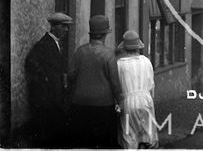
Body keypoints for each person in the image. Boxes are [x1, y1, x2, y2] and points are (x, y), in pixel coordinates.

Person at [69, 15, 123, 148]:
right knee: (102, 143)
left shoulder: (79, 52)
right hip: (103, 105)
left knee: (82, 142)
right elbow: (115, 83)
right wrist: (120, 102)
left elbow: (71, 76)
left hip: (79, 103)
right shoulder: (109, 54)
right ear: (105, 34)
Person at [25, 12, 73, 147]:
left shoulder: (57, 43)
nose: (66, 30)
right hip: (48, 98)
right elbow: (31, 61)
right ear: (54, 27)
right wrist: (45, 80)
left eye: (67, 27)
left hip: (56, 97)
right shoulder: (44, 44)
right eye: (63, 26)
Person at [116, 30, 158, 149]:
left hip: (128, 102)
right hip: (146, 101)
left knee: (130, 137)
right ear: (138, 47)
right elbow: (151, 85)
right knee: (148, 136)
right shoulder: (146, 61)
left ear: (124, 48)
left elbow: (117, 87)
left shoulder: (120, 64)